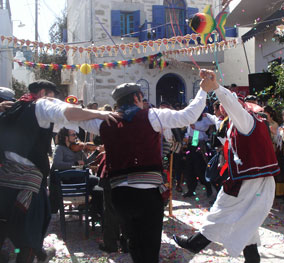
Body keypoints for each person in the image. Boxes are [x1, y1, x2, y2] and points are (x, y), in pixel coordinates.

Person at [77, 82, 209, 263]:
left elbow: (74, 117)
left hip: (120, 194)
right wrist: (204, 90)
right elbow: (189, 115)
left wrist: (96, 112)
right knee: (150, 246)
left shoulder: (104, 121)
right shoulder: (152, 115)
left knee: (134, 243)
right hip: (147, 194)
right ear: (137, 97)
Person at [0, 80, 116, 263]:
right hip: (27, 186)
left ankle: (34, 254)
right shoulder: (41, 103)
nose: (54, 100)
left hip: (4, 185)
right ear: (44, 93)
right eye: (53, 97)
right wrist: (101, 113)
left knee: (7, 229)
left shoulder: (11, 108)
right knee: (30, 236)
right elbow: (69, 112)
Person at [173, 70, 279, 263]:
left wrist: (216, 87)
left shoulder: (245, 120)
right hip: (253, 178)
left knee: (223, 210)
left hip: (249, 181)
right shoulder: (243, 122)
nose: (222, 109)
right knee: (247, 222)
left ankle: (196, 243)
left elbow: (232, 105)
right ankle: (252, 258)